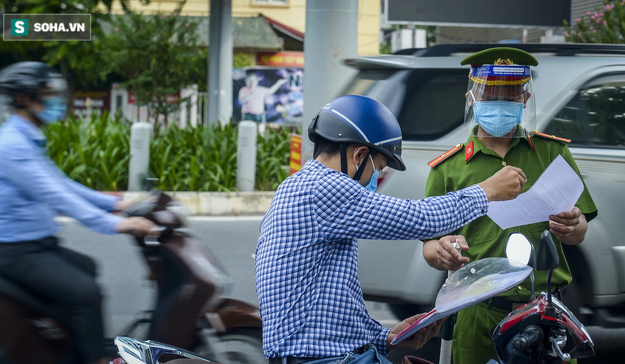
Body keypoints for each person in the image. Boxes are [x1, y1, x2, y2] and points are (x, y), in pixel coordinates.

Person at [255, 94, 528, 364]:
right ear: (359, 154)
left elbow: (326, 305)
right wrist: (487, 190)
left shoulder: (299, 188)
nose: (375, 178)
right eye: (379, 167)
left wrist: (384, 337)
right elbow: (421, 218)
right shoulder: (324, 188)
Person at [421, 48, 598, 364]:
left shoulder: (552, 153)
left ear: (525, 98)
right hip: (478, 314)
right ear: (471, 97)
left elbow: (579, 229)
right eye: (490, 93)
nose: (499, 101)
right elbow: (430, 245)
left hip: (545, 315)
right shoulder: (446, 168)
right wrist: (441, 252)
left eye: (510, 93)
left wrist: (573, 226)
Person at [0, 62, 157, 364]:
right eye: (46, 93)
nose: (55, 99)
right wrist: (118, 224)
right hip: (19, 252)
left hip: (37, 245)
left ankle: (65, 346)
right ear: (24, 98)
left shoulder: (26, 136)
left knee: (87, 267)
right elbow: (56, 195)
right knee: (86, 293)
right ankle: (95, 360)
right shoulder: (14, 145)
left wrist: (114, 204)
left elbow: (59, 182)